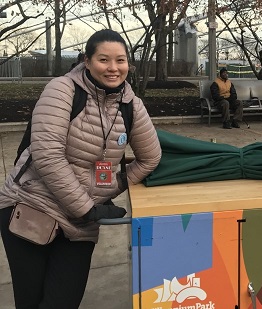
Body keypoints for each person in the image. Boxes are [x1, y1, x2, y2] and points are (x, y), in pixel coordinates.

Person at [0, 29, 162, 308]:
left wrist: (110, 188)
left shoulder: (131, 105)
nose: (113, 68)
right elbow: (47, 155)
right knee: (32, 301)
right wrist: (88, 208)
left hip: (80, 224)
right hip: (33, 206)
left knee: (64, 301)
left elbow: (150, 158)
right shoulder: (62, 89)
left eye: (121, 60)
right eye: (104, 59)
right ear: (87, 61)